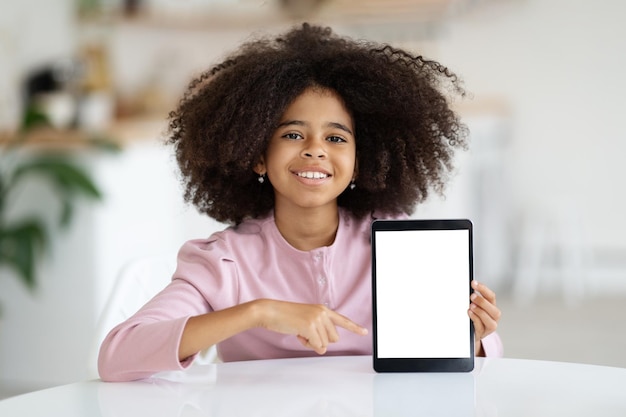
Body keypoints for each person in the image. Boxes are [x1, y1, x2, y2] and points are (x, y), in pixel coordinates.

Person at [98, 23, 503, 382]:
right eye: (293, 135)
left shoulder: (399, 245)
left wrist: (477, 337)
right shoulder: (225, 261)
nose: (315, 150)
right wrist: (259, 312)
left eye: (336, 138)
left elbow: (471, 365)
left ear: (361, 164)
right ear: (257, 154)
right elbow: (116, 356)